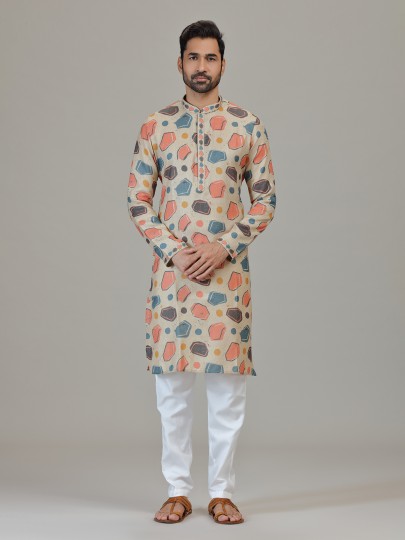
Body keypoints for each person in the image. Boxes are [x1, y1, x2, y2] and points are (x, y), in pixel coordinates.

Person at [127, 20, 277, 524]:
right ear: (180, 63)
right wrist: (174, 251)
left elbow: (265, 201)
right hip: (173, 277)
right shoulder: (155, 126)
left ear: (223, 65)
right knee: (171, 391)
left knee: (227, 391)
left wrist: (224, 247)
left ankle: (222, 493)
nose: (201, 66)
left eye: (210, 58)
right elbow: (138, 200)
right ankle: (176, 490)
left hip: (227, 276)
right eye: (193, 57)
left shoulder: (247, 125)